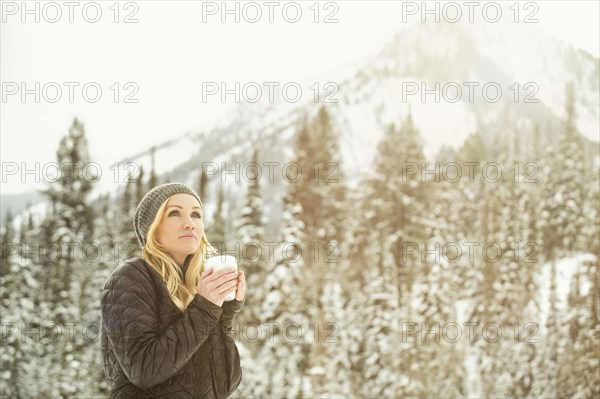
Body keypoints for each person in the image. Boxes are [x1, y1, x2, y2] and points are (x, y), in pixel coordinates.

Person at [101, 182, 246, 398]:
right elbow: (143, 370)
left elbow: (225, 384)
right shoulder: (131, 277)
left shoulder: (197, 286)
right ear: (153, 227)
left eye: (196, 215)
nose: (190, 224)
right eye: (175, 213)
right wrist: (205, 309)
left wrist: (223, 315)